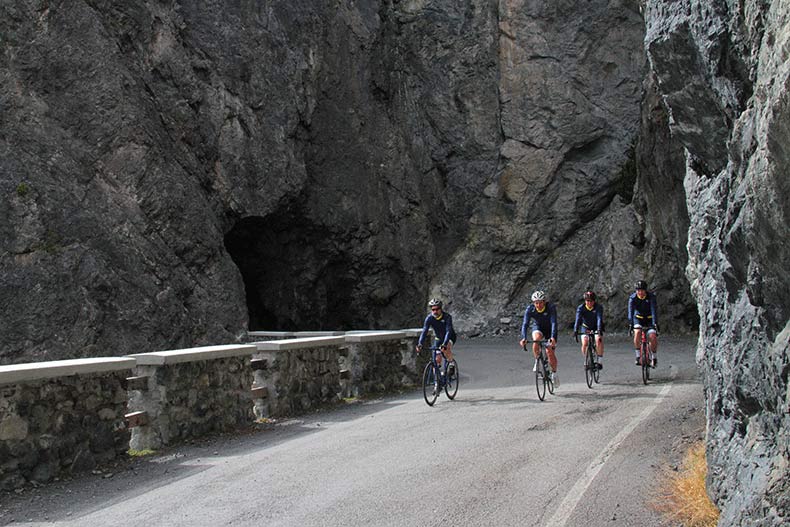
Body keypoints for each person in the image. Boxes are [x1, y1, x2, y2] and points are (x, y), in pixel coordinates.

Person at [519, 290, 559, 387]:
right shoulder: (530, 309)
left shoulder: (550, 308)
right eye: (536, 303)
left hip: (550, 329)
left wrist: (553, 337)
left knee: (549, 351)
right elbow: (525, 324)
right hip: (538, 327)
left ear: (544, 302)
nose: (538, 305)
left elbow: (554, 323)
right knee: (536, 340)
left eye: (540, 302)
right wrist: (523, 338)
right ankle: (537, 360)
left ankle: (554, 373)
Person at [416, 298, 457, 375]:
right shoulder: (429, 318)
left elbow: (448, 331)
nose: (435, 311)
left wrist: (444, 344)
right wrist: (420, 344)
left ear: (440, 309)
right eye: (433, 309)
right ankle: (437, 382)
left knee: (446, 349)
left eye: (437, 309)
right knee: (436, 360)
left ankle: (451, 364)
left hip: (450, 337)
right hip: (438, 338)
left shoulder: (447, 317)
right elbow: (424, 331)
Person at [628, 280, 659, 366]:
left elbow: (653, 310)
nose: (640, 292)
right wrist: (631, 324)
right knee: (637, 332)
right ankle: (638, 356)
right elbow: (630, 312)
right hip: (638, 319)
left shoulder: (651, 297)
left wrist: (655, 323)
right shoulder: (633, 298)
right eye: (638, 290)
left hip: (649, 319)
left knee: (652, 336)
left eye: (642, 290)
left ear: (645, 290)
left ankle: (654, 357)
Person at [573, 290, 605, 369]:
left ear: (594, 301)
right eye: (587, 301)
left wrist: (599, 330)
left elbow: (599, 319)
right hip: (585, 327)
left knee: (598, 340)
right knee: (585, 343)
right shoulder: (581, 308)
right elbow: (577, 320)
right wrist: (575, 331)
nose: (589, 303)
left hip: (595, 327)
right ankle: (586, 359)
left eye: (591, 301)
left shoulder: (598, 307)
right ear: (585, 301)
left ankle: (599, 361)